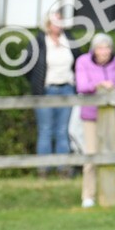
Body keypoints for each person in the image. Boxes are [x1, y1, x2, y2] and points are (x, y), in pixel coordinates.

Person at [75, 33, 115, 208]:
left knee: (109, 155)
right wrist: (100, 85)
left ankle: (108, 195)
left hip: (113, 116)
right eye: (100, 47)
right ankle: (88, 196)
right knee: (91, 155)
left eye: (107, 47)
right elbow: (82, 86)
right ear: (94, 49)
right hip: (91, 116)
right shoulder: (83, 61)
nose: (104, 51)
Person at [24, 12, 76, 177]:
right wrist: (36, 82)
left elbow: (79, 60)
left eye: (60, 20)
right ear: (47, 24)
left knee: (63, 130)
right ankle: (43, 170)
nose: (58, 24)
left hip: (67, 89)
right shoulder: (38, 41)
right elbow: (26, 66)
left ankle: (63, 169)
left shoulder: (69, 39)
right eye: (55, 21)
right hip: (46, 90)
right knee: (46, 130)